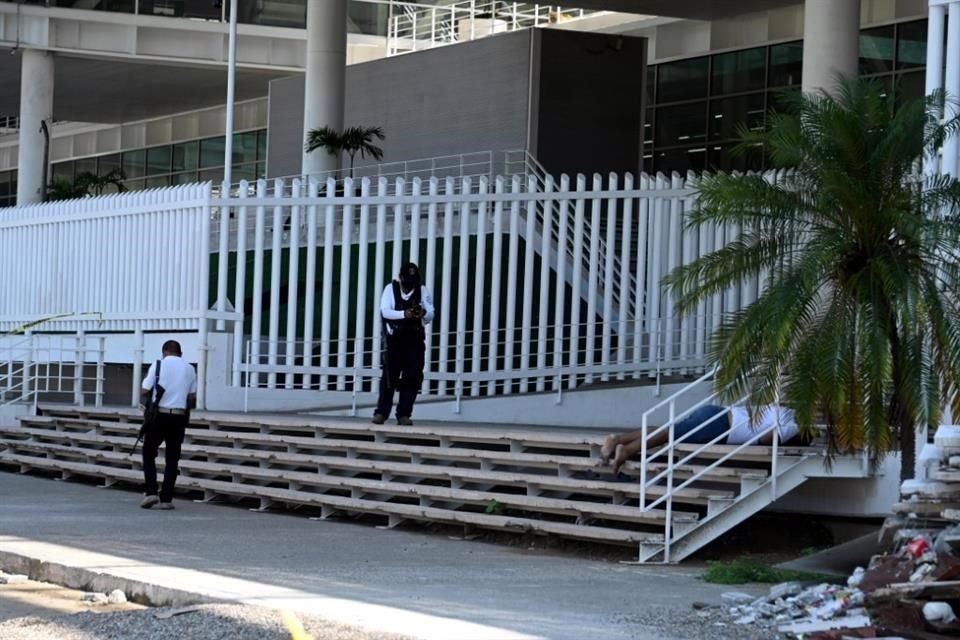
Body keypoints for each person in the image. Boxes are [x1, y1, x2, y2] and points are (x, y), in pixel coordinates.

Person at [600, 404, 800, 474]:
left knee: (670, 430)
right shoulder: (794, 425)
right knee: (669, 434)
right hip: (721, 427)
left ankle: (618, 439)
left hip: (720, 414)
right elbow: (767, 439)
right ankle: (628, 450)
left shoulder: (786, 411)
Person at [373, 262, 435, 426]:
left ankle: (404, 414)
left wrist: (423, 313)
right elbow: (385, 311)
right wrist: (404, 314)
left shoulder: (422, 290)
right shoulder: (390, 289)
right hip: (395, 340)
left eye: (412, 283)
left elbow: (430, 314)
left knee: (413, 377)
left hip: (414, 341)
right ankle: (381, 412)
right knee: (388, 378)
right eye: (407, 282)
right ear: (400, 278)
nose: (409, 287)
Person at [139, 340, 197, 510]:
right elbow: (192, 395)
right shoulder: (190, 368)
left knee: (149, 452)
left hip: (159, 415)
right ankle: (166, 498)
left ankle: (151, 492)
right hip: (178, 416)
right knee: (172, 458)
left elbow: (144, 390)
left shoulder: (157, 365)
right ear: (180, 353)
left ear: (164, 352)